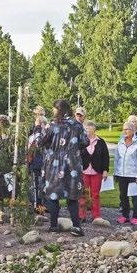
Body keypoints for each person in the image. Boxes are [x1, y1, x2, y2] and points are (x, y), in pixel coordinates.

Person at [38, 99, 89, 236]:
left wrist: (41, 129)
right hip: (72, 164)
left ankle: (54, 226)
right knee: (73, 197)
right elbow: (86, 141)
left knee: (53, 196)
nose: (53, 111)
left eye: (54, 109)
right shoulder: (77, 125)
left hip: (54, 165)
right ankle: (76, 227)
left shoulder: (52, 125)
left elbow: (40, 141)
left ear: (58, 110)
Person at [114, 121, 137, 226]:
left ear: (132, 131)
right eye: (124, 129)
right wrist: (116, 173)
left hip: (134, 175)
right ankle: (125, 215)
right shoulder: (120, 143)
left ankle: (136, 217)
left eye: (127, 129)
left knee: (136, 198)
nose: (125, 131)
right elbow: (117, 159)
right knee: (123, 196)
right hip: (122, 174)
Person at [79, 120, 110, 223]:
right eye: (85, 128)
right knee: (83, 194)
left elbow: (106, 157)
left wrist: (105, 170)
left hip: (97, 171)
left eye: (88, 127)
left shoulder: (101, 142)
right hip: (84, 171)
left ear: (94, 129)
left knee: (95, 194)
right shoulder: (81, 141)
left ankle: (96, 215)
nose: (87, 130)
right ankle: (81, 215)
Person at [27, 110, 47, 210]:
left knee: (43, 185)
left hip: (45, 164)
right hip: (35, 164)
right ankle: (36, 204)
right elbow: (29, 150)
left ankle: (42, 205)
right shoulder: (32, 137)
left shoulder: (46, 136)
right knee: (35, 185)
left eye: (39, 124)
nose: (37, 126)